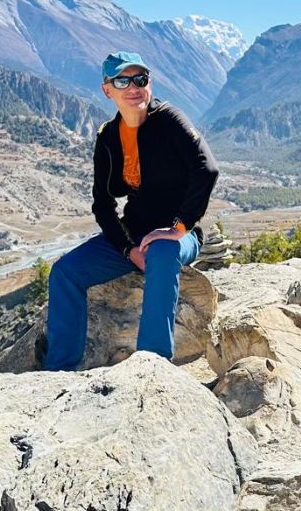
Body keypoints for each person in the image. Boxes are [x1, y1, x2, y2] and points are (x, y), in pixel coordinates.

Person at [44, 51, 219, 371]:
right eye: (122, 80)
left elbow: (206, 170)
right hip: (134, 232)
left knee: (163, 253)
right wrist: (127, 250)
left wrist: (178, 228)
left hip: (180, 235)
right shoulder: (109, 137)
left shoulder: (169, 120)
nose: (134, 87)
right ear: (107, 90)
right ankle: (59, 369)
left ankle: (151, 364)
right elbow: (103, 205)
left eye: (140, 79)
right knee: (65, 272)